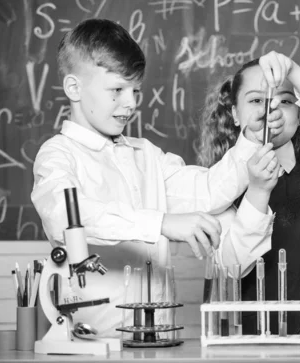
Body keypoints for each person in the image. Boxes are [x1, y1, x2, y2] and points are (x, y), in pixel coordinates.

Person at [30, 19, 272, 338]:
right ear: (74, 87)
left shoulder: (146, 155)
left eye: (135, 91)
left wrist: (252, 138)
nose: (130, 103)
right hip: (92, 345)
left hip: (155, 341)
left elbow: (210, 189)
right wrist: (160, 223)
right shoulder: (58, 155)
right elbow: (67, 217)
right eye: (117, 90)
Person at [198, 51, 300, 334]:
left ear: (299, 113)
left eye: (285, 101)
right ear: (235, 114)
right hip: (247, 336)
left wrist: (294, 70)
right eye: (257, 100)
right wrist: (258, 192)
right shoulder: (220, 182)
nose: (270, 110)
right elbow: (232, 267)